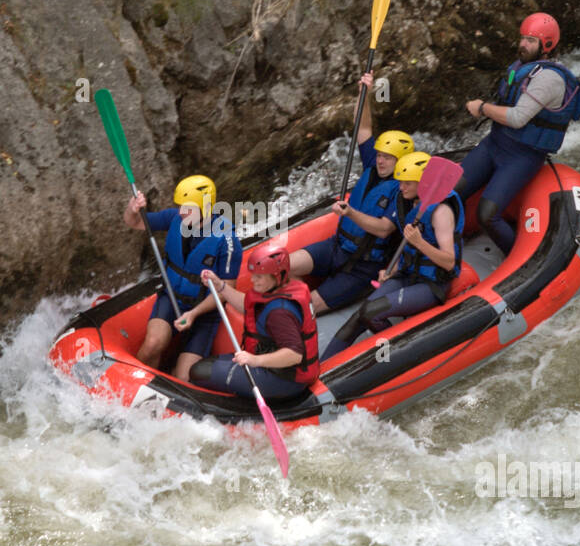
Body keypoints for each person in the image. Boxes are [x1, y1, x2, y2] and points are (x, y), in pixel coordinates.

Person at [288, 71, 416, 314]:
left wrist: (350, 213)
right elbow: (363, 127)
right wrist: (364, 93)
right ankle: (297, 302)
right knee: (283, 266)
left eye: (388, 158)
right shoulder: (372, 165)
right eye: (380, 155)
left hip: (364, 267)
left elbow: (384, 228)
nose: (380, 161)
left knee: (303, 307)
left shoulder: (403, 190)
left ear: (400, 161)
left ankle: (306, 309)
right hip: (337, 247)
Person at [457, 12, 580, 254]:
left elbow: (517, 118)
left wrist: (482, 108)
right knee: (449, 193)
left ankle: (516, 257)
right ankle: (444, 250)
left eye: (531, 40)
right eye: (523, 38)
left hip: (521, 157)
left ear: (546, 45)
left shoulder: (549, 79)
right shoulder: (522, 67)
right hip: (493, 144)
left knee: (487, 214)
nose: (523, 45)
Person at [321, 152, 465, 361]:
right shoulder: (408, 202)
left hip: (432, 284)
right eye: (401, 182)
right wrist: (393, 269)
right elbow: (408, 249)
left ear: (422, 183)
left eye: (407, 183)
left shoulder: (441, 212)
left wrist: (419, 242)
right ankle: (322, 368)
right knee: (360, 315)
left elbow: (449, 261)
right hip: (407, 274)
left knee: (372, 312)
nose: (401, 187)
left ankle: (401, 354)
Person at [124, 174, 242, 381]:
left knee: (185, 377)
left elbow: (225, 291)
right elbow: (134, 223)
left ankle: (170, 375)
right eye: (180, 206)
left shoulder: (228, 240)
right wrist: (132, 208)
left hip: (205, 313)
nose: (181, 212)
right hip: (171, 296)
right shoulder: (174, 218)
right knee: (153, 344)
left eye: (187, 208)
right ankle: (134, 383)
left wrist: (194, 314)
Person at [190, 249, 319, 401]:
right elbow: (247, 305)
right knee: (208, 364)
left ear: (276, 275)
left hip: (285, 380)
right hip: (273, 365)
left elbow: (295, 355)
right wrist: (220, 285)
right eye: (253, 275)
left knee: (199, 372)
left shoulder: (280, 313)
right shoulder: (280, 288)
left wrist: (254, 360)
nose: (253, 280)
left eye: (259, 277)